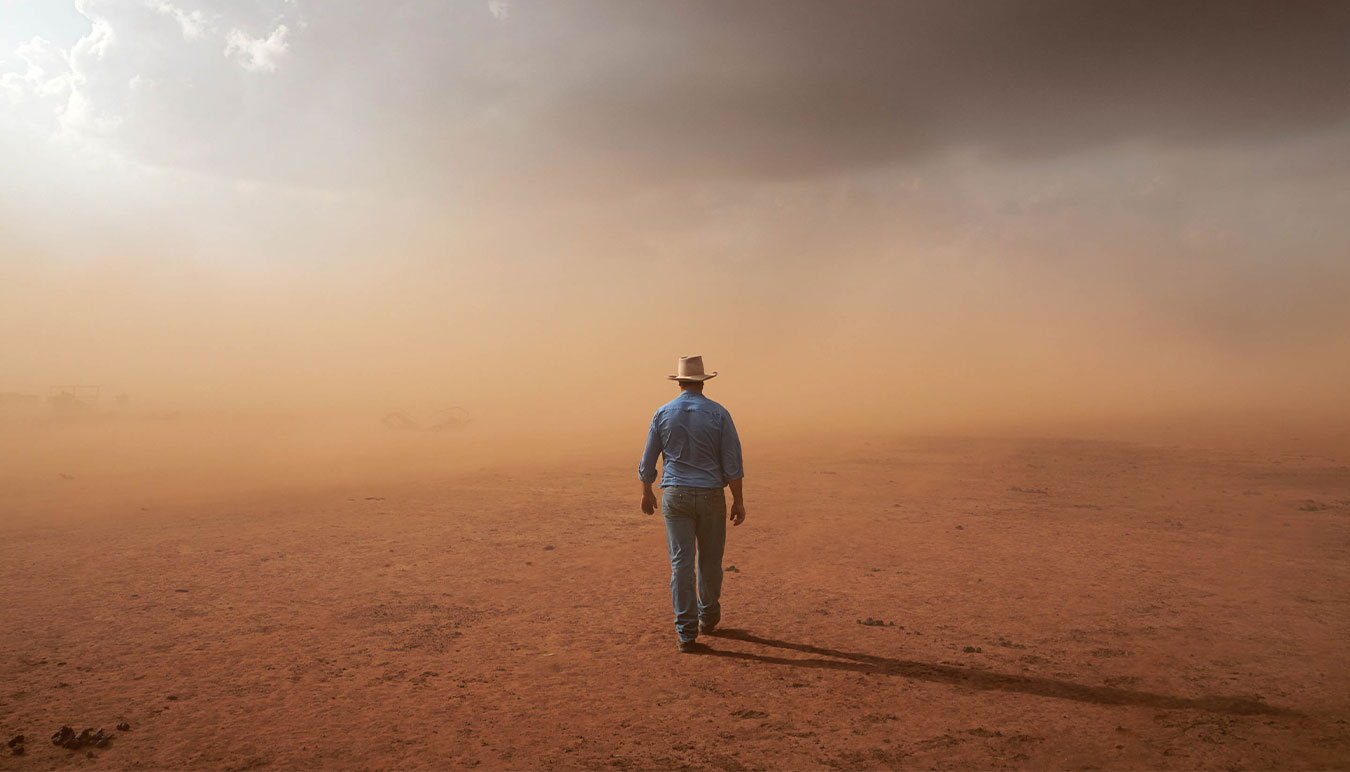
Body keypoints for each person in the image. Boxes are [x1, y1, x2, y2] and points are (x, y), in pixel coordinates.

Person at [638, 355, 746, 652]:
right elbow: (732, 462)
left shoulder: (662, 413)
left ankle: (686, 632)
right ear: (701, 382)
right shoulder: (718, 413)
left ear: (680, 382)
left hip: (676, 494)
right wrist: (738, 500)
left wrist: (647, 491)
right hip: (711, 494)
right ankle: (708, 616)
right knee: (710, 561)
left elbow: (648, 461)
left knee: (680, 563)